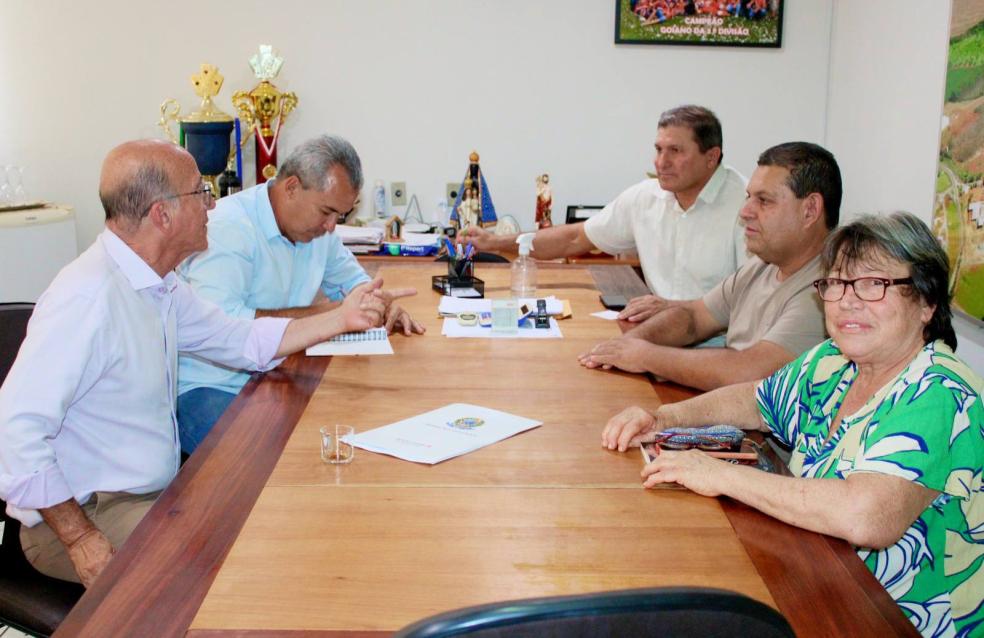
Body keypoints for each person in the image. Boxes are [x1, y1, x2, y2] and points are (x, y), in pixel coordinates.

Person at [0, 139, 409, 588]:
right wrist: (81, 540)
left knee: (275, 527)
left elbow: (238, 339)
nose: (213, 206)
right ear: (163, 214)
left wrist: (340, 318)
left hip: (149, 493)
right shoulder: (87, 298)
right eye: (201, 194)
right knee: (236, 571)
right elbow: (13, 430)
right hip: (85, 517)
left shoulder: (159, 285)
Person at [601, 212, 983, 637]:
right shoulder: (834, 361)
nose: (848, 301)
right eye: (836, 283)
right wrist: (660, 419)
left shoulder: (938, 391)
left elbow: (866, 516)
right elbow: (755, 400)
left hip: (893, 618)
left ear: (927, 303)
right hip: (819, 574)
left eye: (874, 284)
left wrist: (719, 474)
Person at [176, 135, 425, 455]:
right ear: (291, 187)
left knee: (363, 426)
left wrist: (379, 304)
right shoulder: (228, 227)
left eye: (341, 216)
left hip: (279, 374)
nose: (332, 226)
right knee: (277, 459)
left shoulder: (319, 228)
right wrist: (336, 314)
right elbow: (225, 329)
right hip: (213, 385)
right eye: (327, 212)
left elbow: (355, 285)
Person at [579, 141, 839, 390]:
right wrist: (629, 343)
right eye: (749, 197)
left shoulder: (830, 288)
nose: (745, 211)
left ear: (810, 210)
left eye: (764, 200)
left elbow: (751, 373)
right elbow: (693, 317)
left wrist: (645, 356)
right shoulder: (763, 265)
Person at [461, 105, 747, 323]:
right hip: (659, 334)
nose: (662, 162)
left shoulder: (749, 207)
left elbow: (759, 301)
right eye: (659, 149)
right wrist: (493, 242)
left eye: (675, 151)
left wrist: (674, 309)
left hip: (721, 348)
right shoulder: (645, 197)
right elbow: (574, 239)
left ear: (712, 157)